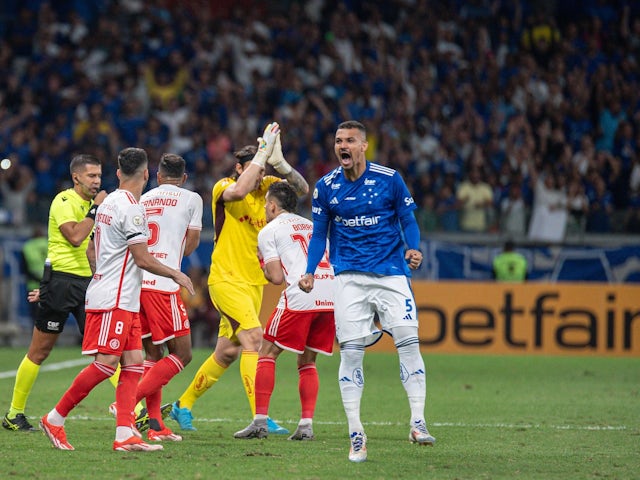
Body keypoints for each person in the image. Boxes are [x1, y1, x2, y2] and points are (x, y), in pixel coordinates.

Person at [39, 147, 195, 451]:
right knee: (107, 364)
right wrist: (175, 274)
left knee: (135, 362)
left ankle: (125, 433)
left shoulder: (107, 202)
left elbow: (90, 251)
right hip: (115, 298)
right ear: (147, 175)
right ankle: (55, 418)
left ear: (118, 173)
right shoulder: (131, 208)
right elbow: (142, 258)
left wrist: (103, 273)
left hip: (122, 296)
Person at [298, 120, 436, 463]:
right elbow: (319, 234)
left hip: (391, 274)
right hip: (349, 280)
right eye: (338, 141)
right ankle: (356, 433)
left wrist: (413, 248)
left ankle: (418, 421)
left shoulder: (389, 179)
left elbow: (408, 220)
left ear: (363, 146)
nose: (342, 146)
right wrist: (310, 271)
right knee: (352, 352)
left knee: (408, 340)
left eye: (349, 141)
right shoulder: (326, 187)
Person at [170, 122, 309, 433]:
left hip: (253, 282)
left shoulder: (267, 186)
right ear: (238, 168)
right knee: (254, 339)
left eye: (261, 171)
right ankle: (260, 418)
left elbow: (301, 191)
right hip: (225, 279)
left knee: (227, 351)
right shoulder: (223, 188)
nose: (259, 175)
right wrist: (262, 154)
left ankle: (183, 405)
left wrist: (281, 164)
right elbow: (241, 188)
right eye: (254, 170)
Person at [2, 154, 107, 432]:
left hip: (88, 285)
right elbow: (74, 237)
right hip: (61, 283)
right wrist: (95, 210)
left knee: (106, 350)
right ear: (76, 178)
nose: (97, 181)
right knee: (40, 351)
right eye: (91, 176)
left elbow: (93, 248)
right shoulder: (64, 201)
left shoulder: (93, 206)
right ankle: (14, 414)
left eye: (99, 176)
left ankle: (137, 411)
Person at [109, 152, 203, 442]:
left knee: (153, 354)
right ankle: (126, 402)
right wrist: (174, 253)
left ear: (158, 176)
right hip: (163, 285)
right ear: (184, 178)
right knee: (183, 353)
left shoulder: (143, 198)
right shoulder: (192, 199)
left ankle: (156, 425)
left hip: (138, 284)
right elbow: (192, 243)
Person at [234, 181, 335, 441]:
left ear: (272, 205)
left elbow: (277, 277)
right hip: (329, 296)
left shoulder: (270, 230)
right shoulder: (313, 226)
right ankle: (306, 425)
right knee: (307, 361)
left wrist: (261, 261)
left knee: (266, 352)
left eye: (266, 203)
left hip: (301, 294)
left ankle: (259, 422)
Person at [20, 225, 48, 322]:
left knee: (35, 316)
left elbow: (23, 269)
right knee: (50, 316)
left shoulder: (27, 247)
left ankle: (35, 336)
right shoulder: (49, 244)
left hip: (33, 286)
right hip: (50, 286)